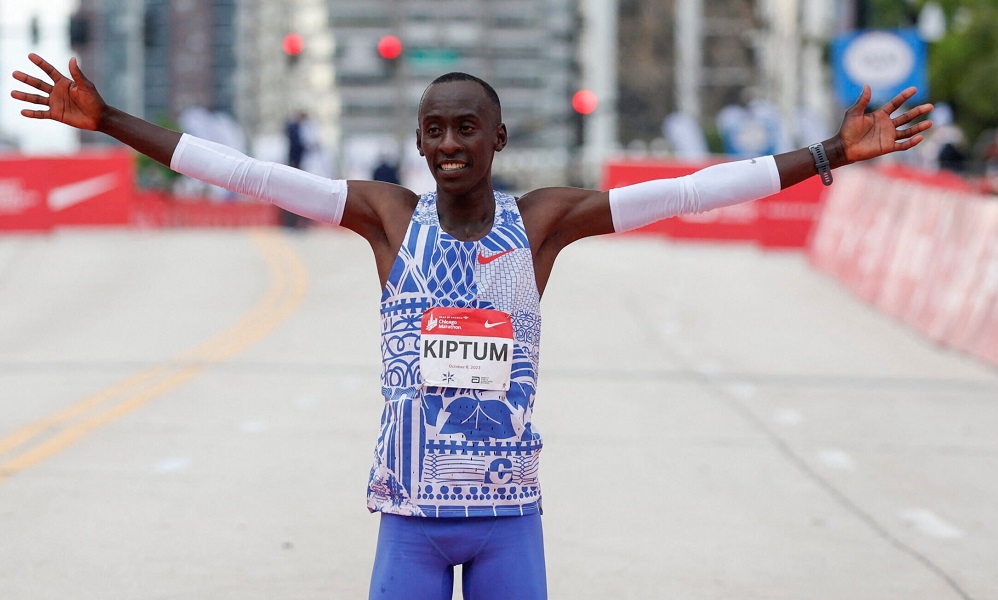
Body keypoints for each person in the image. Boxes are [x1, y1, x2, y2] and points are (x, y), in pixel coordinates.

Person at [10, 52, 932, 600]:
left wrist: (824, 155)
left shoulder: (542, 224)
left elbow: (686, 192)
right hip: (409, 524)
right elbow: (247, 174)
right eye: (435, 130)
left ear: (498, 139)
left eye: (467, 129)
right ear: (419, 142)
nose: (450, 144)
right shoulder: (384, 218)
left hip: (507, 524)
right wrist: (108, 123)